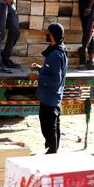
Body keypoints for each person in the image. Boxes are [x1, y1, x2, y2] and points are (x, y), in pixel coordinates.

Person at [28, 23, 68, 154]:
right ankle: (53, 151)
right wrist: (40, 68)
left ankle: (52, 153)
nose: (46, 34)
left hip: (50, 99)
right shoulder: (59, 50)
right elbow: (54, 72)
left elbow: (55, 80)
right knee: (53, 128)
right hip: (53, 97)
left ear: (52, 35)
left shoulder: (56, 55)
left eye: (48, 32)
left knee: (49, 128)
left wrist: (37, 77)